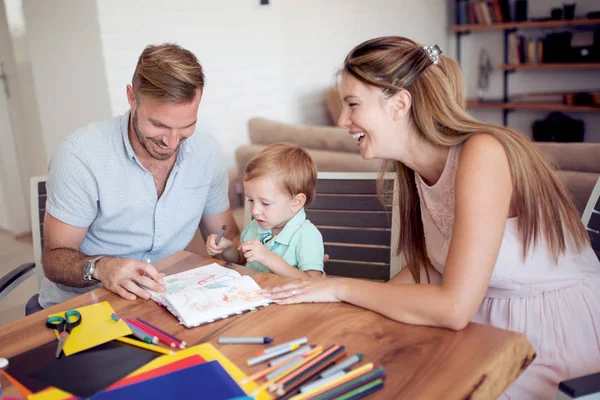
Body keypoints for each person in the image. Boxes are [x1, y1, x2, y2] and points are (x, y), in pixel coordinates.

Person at [264, 36, 600, 399]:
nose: (343, 120)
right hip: (487, 322)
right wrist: (347, 310)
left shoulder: (482, 154)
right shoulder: (415, 170)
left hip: (551, 335)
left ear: (400, 104)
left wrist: (338, 286)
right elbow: (430, 265)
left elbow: (454, 308)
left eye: (353, 104)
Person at [38, 43, 239, 309]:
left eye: (187, 126)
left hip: (167, 303)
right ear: (132, 98)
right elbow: (54, 259)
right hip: (86, 308)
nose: (172, 142)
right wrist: (101, 267)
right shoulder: (80, 156)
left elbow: (229, 240)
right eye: (158, 125)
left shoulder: (207, 152)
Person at [206, 143, 325, 278]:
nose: (255, 211)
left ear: (296, 203)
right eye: (250, 200)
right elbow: (240, 259)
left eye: (265, 203)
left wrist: (268, 258)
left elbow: (313, 283)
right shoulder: (256, 226)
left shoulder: (307, 235)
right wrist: (227, 248)